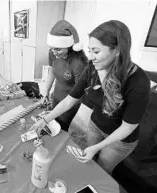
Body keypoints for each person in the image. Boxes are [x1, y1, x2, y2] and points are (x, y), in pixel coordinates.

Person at [33, 20, 151, 174]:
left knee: (102, 168)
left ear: (117, 51)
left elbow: (127, 127)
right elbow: (70, 99)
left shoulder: (139, 83)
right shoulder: (93, 68)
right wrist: (45, 119)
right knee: (88, 161)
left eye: (96, 52)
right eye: (89, 51)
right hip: (96, 126)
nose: (91, 57)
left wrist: (96, 148)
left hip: (120, 140)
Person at [43, 20, 88, 131]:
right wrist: (46, 91)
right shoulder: (53, 53)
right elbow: (52, 71)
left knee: (61, 128)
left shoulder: (78, 63)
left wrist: (63, 107)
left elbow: (79, 94)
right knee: (52, 124)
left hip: (70, 103)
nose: (54, 52)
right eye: (51, 48)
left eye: (57, 49)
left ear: (68, 46)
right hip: (56, 96)